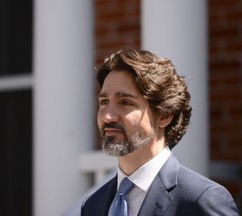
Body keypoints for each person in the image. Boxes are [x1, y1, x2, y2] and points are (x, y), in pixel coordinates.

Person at [81, 47, 239, 216]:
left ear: (164, 115)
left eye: (125, 102)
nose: (108, 116)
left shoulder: (202, 200)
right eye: (104, 102)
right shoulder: (93, 204)